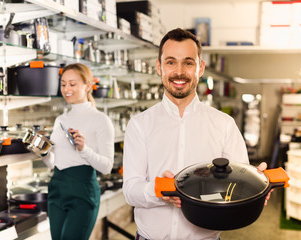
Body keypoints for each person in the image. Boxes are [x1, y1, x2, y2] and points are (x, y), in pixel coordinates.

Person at [122, 28, 270, 240]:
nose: (179, 72)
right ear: (159, 67)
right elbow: (130, 190)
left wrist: (258, 186)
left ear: (200, 68)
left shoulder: (224, 125)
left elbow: (239, 188)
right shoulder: (139, 125)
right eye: (171, 62)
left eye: (188, 62)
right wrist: (163, 192)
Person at [42, 63, 115, 240]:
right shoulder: (61, 120)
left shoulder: (101, 120)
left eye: (72, 84)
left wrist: (84, 149)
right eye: (63, 84)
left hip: (82, 191)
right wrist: (43, 152)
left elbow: (107, 167)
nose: (66, 89)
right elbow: (53, 162)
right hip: (57, 188)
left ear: (88, 85)